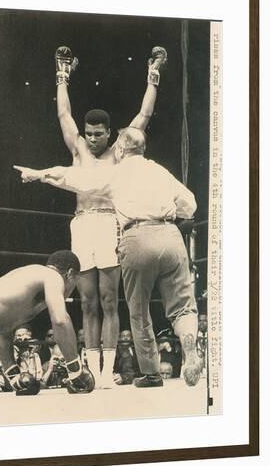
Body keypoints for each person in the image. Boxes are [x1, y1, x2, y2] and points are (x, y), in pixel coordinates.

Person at [13, 127, 201, 388]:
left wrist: (39, 175)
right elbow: (190, 204)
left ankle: (151, 373)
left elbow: (73, 178)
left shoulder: (116, 173)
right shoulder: (160, 171)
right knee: (182, 306)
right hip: (170, 234)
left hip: (137, 235)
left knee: (138, 311)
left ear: (121, 149)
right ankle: (189, 339)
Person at [52, 45, 167, 388]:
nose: (92, 139)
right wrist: (61, 76)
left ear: (109, 133)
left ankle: (107, 373)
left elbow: (144, 115)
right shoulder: (78, 149)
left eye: (98, 134)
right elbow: (63, 113)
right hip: (82, 225)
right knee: (87, 302)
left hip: (108, 223)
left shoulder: (120, 150)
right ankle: (90, 370)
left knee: (108, 299)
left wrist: (154, 73)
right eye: (88, 134)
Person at [0, 250, 95, 394]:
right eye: (75, 284)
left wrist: (13, 375)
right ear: (69, 274)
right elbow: (60, 321)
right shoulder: (53, 277)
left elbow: (2, 330)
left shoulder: (31, 279)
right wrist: (76, 371)